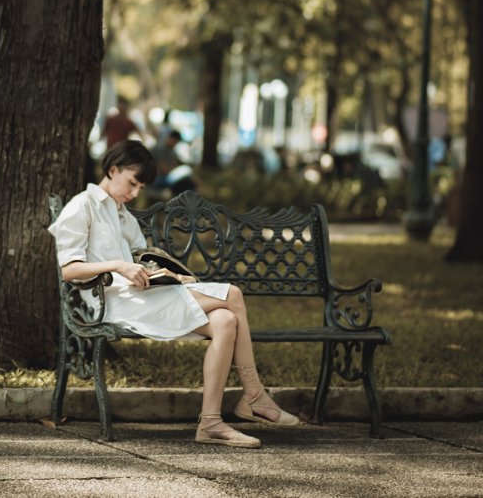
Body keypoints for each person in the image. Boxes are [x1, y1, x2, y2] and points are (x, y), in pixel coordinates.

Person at [48, 140, 300, 449]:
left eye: (140, 187)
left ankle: (210, 423)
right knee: (232, 295)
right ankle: (254, 396)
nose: (135, 192)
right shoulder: (82, 205)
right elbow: (69, 270)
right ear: (112, 170)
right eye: (132, 183)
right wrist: (120, 267)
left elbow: (144, 255)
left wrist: (166, 273)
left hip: (140, 297)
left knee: (224, 321)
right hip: (110, 303)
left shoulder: (121, 213)